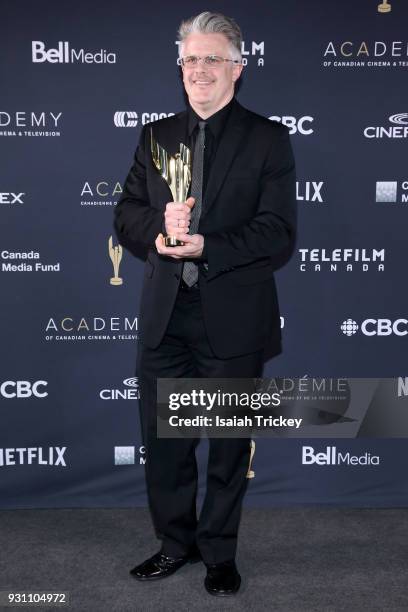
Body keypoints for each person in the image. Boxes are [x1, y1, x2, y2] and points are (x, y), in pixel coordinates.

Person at [114, 11, 296, 596]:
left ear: (237, 69)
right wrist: (160, 232)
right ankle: (175, 544)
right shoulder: (155, 136)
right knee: (165, 445)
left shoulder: (268, 139)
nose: (199, 71)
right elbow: (126, 216)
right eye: (190, 59)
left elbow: (276, 233)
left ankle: (220, 553)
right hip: (166, 317)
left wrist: (206, 245)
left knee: (225, 448)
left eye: (212, 59)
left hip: (232, 320)